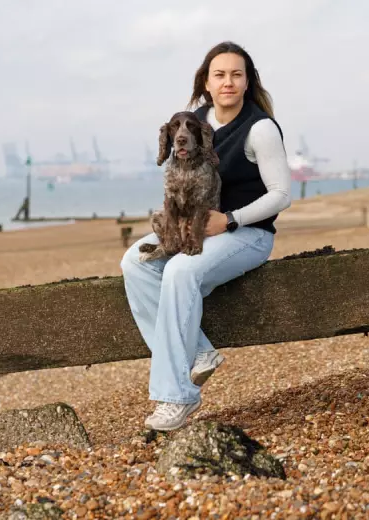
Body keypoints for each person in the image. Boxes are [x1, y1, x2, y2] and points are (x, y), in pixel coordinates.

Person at [120, 41, 292, 431]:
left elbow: (282, 196)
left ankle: (176, 397)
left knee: (181, 271)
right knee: (134, 262)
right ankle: (198, 353)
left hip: (247, 235)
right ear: (206, 83)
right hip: (193, 230)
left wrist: (229, 219)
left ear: (247, 82)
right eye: (220, 75)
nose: (228, 82)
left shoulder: (260, 128)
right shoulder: (194, 122)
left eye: (237, 74)